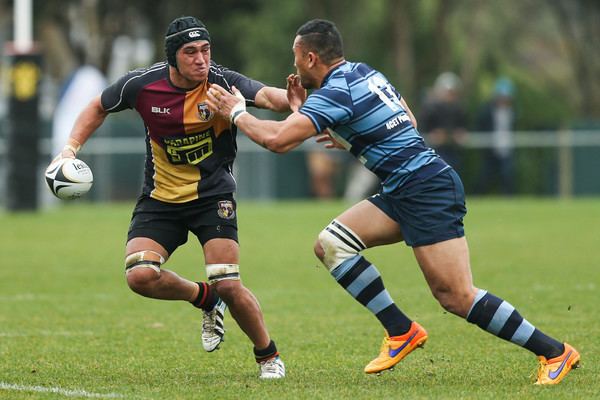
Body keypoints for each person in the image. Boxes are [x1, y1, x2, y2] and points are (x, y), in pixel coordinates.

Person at [206, 19, 580, 384]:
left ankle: (555, 352)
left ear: (309, 59)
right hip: (404, 187)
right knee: (332, 244)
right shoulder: (364, 73)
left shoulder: (335, 92)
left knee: (456, 296)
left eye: (295, 57)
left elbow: (278, 141)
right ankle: (401, 330)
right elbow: (409, 120)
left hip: (425, 188)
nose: (293, 65)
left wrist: (237, 112)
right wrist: (345, 133)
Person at [49, 16, 300, 379]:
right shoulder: (142, 85)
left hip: (213, 195)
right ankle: (204, 299)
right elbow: (97, 107)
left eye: (206, 50)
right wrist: (69, 150)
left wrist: (290, 101)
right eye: (191, 52)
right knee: (140, 276)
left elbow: (266, 96)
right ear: (173, 57)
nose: (201, 59)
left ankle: (268, 356)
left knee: (228, 282)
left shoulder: (221, 82)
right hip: (160, 198)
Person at [474, 77, 517, 195]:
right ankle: (478, 197)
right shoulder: (487, 110)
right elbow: (480, 126)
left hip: (506, 148)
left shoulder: (512, 111)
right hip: (490, 147)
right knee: (485, 175)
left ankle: (508, 199)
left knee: (507, 174)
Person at [419, 72, 468, 173]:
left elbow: (462, 126)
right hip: (432, 151)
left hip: (452, 150)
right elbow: (422, 128)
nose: (449, 96)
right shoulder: (430, 108)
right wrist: (432, 136)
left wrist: (459, 133)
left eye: (452, 93)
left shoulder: (459, 109)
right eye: (447, 92)